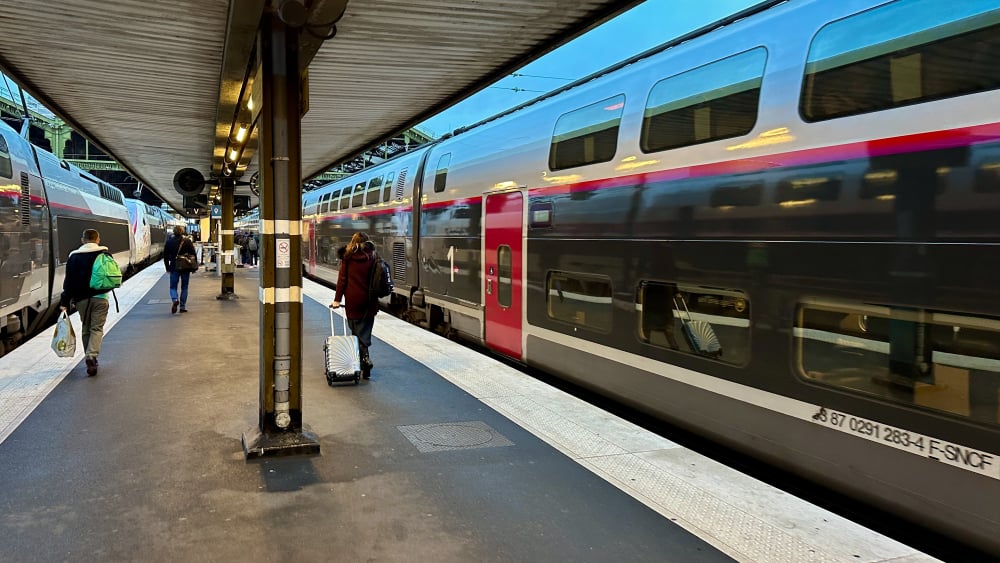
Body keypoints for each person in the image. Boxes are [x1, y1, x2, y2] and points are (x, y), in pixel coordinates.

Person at [60, 229, 111, 376]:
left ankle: (88, 356)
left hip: (81, 299)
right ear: (98, 239)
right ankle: (91, 355)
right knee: (97, 328)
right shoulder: (104, 254)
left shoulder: (73, 257)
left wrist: (65, 302)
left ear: (83, 240)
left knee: (86, 327)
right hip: (101, 297)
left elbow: (68, 282)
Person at [329, 232, 378, 378]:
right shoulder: (373, 256)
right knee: (365, 331)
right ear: (367, 242)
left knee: (356, 332)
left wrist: (337, 300)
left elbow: (342, 281)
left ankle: (362, 361)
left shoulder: (348, 258)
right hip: (370, 301)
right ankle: (365, 361)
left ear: (353, 241)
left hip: (353, 301)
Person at [164, 225, 197, 314]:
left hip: (174, 267)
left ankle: (175, 299)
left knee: (173, 287)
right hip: (185, 267)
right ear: (182, 231)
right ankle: (182, 307)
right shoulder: (187, 241)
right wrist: (194, 267)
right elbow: (193, 254)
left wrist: (167, 267)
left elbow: (165, 256)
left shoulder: (169, 242)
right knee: (184, 287)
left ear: (173, 232)